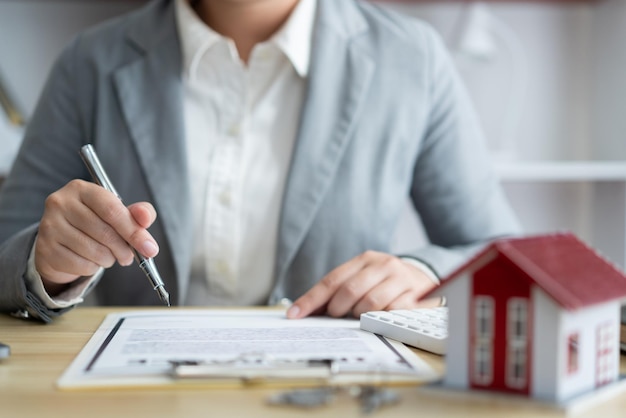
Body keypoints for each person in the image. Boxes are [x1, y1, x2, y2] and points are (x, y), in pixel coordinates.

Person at [0, 0, 521, 323]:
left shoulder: (412, 59)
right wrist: (47, 265)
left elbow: (504, 256)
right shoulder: (89, 61)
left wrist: (421, 273)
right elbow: (6, 248)